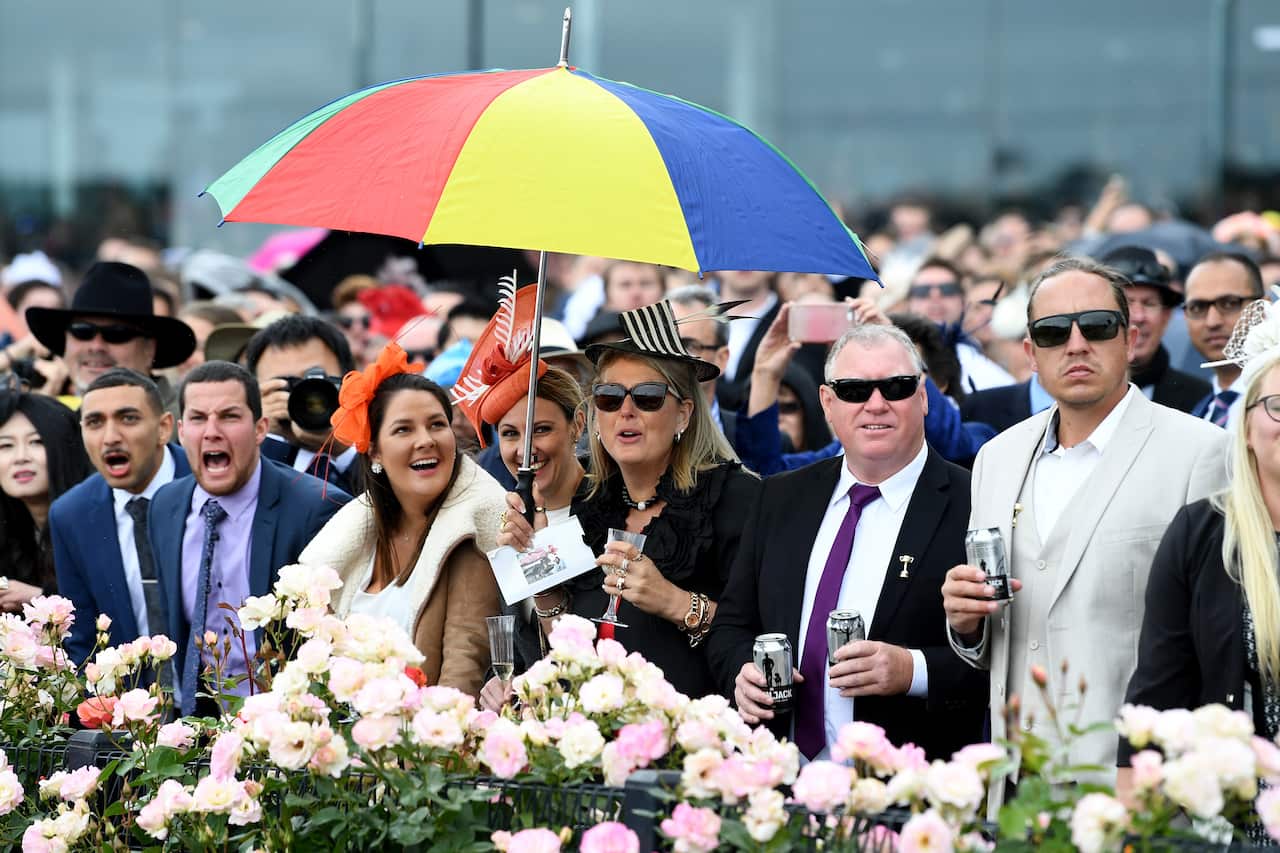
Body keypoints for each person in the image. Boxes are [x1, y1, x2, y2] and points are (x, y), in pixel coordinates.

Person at [942, 257, 1227, 812]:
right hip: (1016, 786)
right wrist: (966, 622)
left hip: (1136, 787)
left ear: (1130, 339)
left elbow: (1217, 641)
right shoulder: (996, 459)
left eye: (1095, 326)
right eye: (1053, 332)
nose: (1075, 345)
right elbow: (992, 642)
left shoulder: (1201, 453)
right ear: (1031, 353)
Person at [708, 324, 987, 760]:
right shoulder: (779, 496)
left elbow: (1008, 655)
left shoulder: (976, 503)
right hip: (778, 774)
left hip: (908, 779)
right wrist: (741, 673)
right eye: (854, 390)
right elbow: (731, 626)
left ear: (923, 396)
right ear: (827, 402)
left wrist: (912, 670)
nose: (876, 404)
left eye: (896, 387)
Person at [529, 300, 760, 698]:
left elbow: (770, 632)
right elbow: (565, 652)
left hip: (698, 724)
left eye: (648, 396)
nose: (626, 410)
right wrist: (539, 574)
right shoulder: (586, 503)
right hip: (596, 724)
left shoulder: (737, 500)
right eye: (609, 397)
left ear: (684, 414)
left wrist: (675, 602)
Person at [1118, 345, 1280, 842]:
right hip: (1243, 825)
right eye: (1278, 406)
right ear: (1246, 427)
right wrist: (1135, 811)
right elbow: (1161, 682)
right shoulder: (1202, 532)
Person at [299, 343, 505, 697]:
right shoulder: (355, 534)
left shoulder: (468, 536)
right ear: (374, 451)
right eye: (403, 430)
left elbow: (462, 677)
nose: (426, 440)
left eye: (437, 424)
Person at [150, 361, 349, 716]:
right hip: (195, 722)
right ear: (181, 431)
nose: (211, 432)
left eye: (229, 417)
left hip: (286, 720)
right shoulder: (165, 505)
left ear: (260, 429)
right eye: (198, 418)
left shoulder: (316, 508)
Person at [51, 369, 191, 665]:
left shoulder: (206, 485)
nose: (111, 437)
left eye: (128, 418)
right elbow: (82, 640)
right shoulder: (70, 514)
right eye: (95, 422)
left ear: (164, 428)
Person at [24, 262, 197, 411]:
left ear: (149, 348)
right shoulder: (49, 419)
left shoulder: (188, 423)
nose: (96, 346)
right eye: (81, 331)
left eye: (117, 334)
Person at [244, 315, 361, 495]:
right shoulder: (241, 463)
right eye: (287, 384)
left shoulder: (382, 444)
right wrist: (264, 436)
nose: (305, 395)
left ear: (349, 380)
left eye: (315, 381)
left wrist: (342, 449)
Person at [0, 388, 93, 611]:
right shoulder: (11, 529)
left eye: (36, 442)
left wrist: (40, 599)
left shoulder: (92, 521)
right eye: (6, 445)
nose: (21, 458)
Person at [1100, 246, 1210, 414]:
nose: (1138, 317)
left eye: (1149, 303)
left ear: (1166, 316)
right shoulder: (1072, 394)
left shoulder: (1202, 400)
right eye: (1126, 303)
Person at [1184, 252, 1267, 426]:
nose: (1212, 322)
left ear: (1263, 307)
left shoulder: (1272, 401)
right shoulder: (1195, 412)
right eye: (1197, 307)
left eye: (1229, 303)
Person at [907, 258, 1013, 393]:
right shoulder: (893, 354)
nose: (935, 296)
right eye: (923, 291)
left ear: (963, 301)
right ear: (908, 302)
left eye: (947, 290)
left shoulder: (990, 373)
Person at [667, 285, 738, 446]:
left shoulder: (752, 438)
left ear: (721, 359)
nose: (674, 356)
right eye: (666, 345)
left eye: (690, 346)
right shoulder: (630, 434)